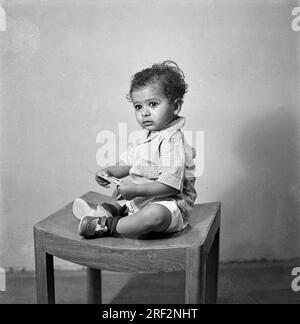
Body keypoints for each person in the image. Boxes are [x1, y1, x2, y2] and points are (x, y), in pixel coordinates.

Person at [73, 60, 197, 238]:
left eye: (153, 104)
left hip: (169, 205)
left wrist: (136, 190)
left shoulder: (173, 141)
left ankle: (106, 225)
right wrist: (108, 171)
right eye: (138, 106)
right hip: (140, 199)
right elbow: (128, 164)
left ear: (175, 106)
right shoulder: (144, 136)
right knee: (119, 197)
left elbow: (170, 186)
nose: (144, 112)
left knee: (153, 216)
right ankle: (102, 214)